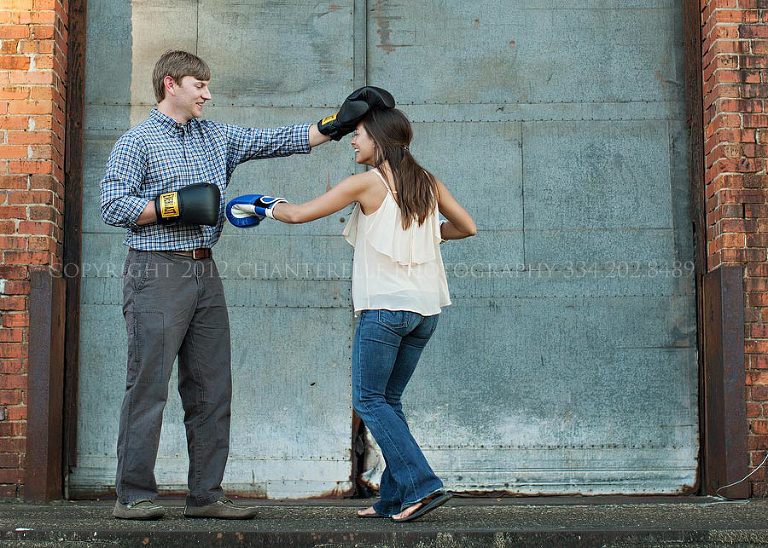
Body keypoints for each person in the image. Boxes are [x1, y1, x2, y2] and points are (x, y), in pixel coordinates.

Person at [100, 49, 394, 520]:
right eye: (200, 85)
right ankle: (133, 495)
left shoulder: (217, 136)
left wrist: (336, 123)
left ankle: (206, 495)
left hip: (204, 271)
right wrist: (173, 206)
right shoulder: (137, 142)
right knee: (148, 385)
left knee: (211, 387)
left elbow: (277, 139)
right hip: (155, 271)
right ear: (171, 84)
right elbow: (113, 205)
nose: (207, 94)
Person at [226, 107, 477, 522]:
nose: (353, 141)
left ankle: (423, 484)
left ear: (379, 138)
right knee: (388, 401)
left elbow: (298, 214)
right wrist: (426, 235)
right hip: (425, 311)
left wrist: (260, 205)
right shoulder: (427, 182)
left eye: (358, 133)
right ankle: (394, 497)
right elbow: (467, 226)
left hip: (385, 310)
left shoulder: (367, 183)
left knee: (368, 399)